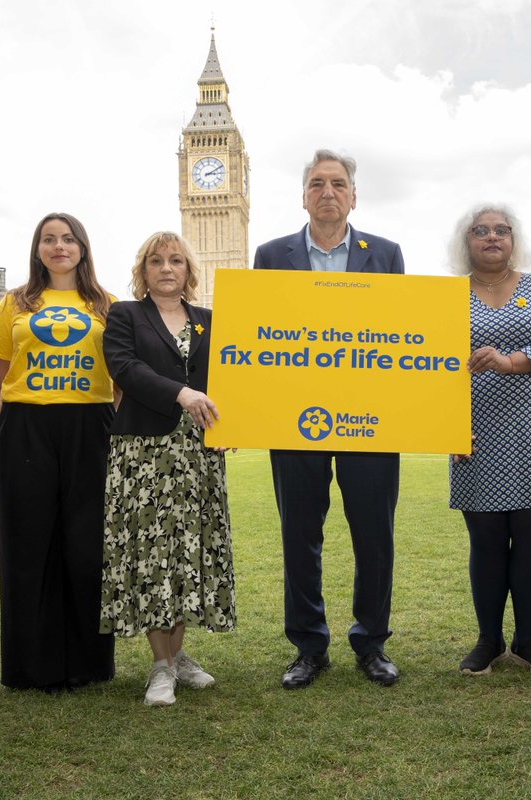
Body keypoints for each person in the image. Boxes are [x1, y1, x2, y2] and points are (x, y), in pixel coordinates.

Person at [252, 149, 405, 688]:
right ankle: (309, 647)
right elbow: (257, 336)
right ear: (304, 195)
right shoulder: (270, 255)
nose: (328, 192)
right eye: (317, 183)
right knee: (299, 534)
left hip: (371, 418)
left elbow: (404, 335)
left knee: (374, 535)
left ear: (353, 196)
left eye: (338, 183)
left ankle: (371, 642)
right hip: (296, 420)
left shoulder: (385, 254)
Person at [100, 232, 235, 707]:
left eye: (176, 260)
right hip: (144, 455)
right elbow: (124, 368)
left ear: (188, 270)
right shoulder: (125, 315)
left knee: (187, 554)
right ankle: (161, 665)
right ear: (143, 269)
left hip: (198, 455)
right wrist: (180, 394)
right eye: (156, 260)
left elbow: (231, 376)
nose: (166, 268)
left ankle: (178, 658)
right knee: (154, 553)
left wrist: (234, 423)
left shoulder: (209, 321)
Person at [0, 212, 117, 691]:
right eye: (49, 239)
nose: (58, 246)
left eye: (67, 239)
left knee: (87, 545)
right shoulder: (14, 303)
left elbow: (121, 374)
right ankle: (30, 666)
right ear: (37, 249)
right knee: (28, 543)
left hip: (91, 424)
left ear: (82, 248)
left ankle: (89, 663)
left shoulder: (106, 303)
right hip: (28, 424)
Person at [449, 204, 531, 679]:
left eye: (501, 230)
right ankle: (488, 639)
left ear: (513, 239)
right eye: (480, 230)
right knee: (484, 541)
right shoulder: (449, 296)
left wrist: (512, 359)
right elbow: (429, 366)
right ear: (467, 241)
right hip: (475, 435)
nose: (491, 237)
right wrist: (446, 428)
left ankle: (528, 641)